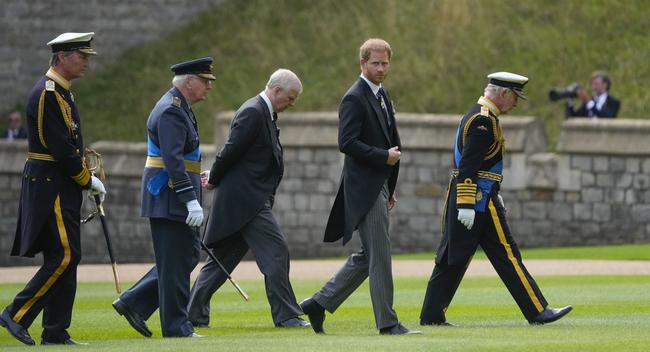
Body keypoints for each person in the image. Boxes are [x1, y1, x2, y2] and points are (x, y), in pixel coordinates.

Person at [420, 72, 573, 326]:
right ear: (502, 94)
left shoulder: (481, 115)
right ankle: (538, 311)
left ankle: (432, 315)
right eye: (515, 97)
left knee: (454, 256)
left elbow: (479, 164)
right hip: (477, 200)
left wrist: (491, 194)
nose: (516, 103)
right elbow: (468, 166)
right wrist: (469, 203)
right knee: (505, 255)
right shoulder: (484, 122)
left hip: (477, 197)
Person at [299, 39, 418, 336]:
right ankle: (388, 323)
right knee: (380, 254)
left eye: (385, 63)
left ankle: (319, 303)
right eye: (375, 63)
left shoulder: (381, 94)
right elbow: (347, 143)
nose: (381, 68)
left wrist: (390, 186)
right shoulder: (354, 97)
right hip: (363, 189)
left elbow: (388, 138)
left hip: (378, 185)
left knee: (368, 256)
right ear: (362, 64)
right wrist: (383, 158)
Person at [0, 32, 105, 346]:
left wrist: (83, 178)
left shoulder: (63, 92)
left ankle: (56, 330)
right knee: (64, 255)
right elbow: (58, 147)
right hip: (51, 183)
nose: (86, 62)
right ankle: (16, 314)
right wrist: (87, 179)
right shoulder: (48, 92)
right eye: (81, 56)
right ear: (62, 57)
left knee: (67, 256)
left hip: (61, 183)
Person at [187, 69, 308, 329]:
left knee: (222, 260)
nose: (292, 103)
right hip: (247, 202)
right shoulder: (253, 111)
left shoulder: (263, 112)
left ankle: (192, 313)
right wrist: (215, 178)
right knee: (277, 250)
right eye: (290, 98)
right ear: (276, 91)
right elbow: (229, 152)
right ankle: (286, 315)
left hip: (247, 201)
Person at [111, 57, 214, 338]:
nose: (208, 88)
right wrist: (189, 199)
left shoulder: (180, 108)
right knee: (176, 261)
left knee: (185, 256)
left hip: (172, 194)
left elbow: (184, 158)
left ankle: (133, 302)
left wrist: (196, 179)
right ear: (189, 82)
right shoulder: (171, 110)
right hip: (168, 196)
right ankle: (176, 326)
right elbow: (172, 160)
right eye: (205, 82)